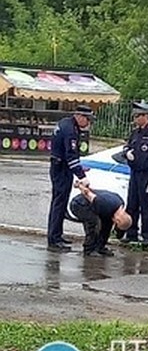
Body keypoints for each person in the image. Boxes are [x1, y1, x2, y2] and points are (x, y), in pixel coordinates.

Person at [46, 105, 93, 251]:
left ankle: (57, 235)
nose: (89, 123)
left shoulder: (65, 123)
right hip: (61, 168)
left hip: (59, 166)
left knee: (59, 203)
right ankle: (54, 239)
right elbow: (71, 156)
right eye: (88, 119)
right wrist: (82, 176)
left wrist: (78, 168)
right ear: (79, 116)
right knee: (59, 204)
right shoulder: (71, 130)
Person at [118, 101, 148, 246]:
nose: (135, 119)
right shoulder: (135, 132)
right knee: (132, 204)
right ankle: (131, 233)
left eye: (137, 116)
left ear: (145, 116)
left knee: (147, 206)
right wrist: (128, 153)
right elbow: (126, 147)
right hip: (135, 173)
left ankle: (147, 236)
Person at [69, 179, 133, 257]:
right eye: (117, 225)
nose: (115, 226)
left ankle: (100, 247)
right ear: (118, 220)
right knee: (94, 223)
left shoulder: (119, 204)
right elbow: (87, 193)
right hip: (79, 205)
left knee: (107, 224)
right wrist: (79, 185)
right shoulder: (105, 204)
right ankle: (89, 249)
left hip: (95, 206)